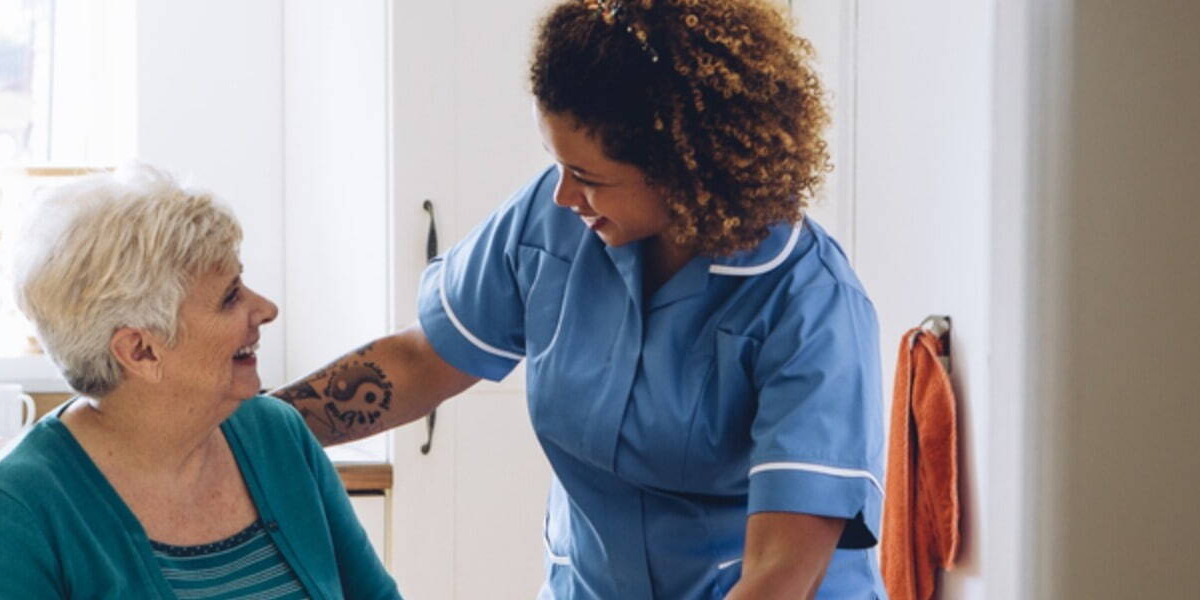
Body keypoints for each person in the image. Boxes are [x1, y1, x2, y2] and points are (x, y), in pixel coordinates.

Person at [273, 0, 883, 597]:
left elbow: (780, 574)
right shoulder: (555, 218)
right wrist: (253, 429)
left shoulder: (809, 305)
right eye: (558, 164)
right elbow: (420, 360)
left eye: (588, 178)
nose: (563, 195)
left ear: (686, 170)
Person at [0, 164, 399, 600]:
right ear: (141, 351)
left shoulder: (278, 436)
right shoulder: (18, 506)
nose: (265, 309)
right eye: (230, 297)